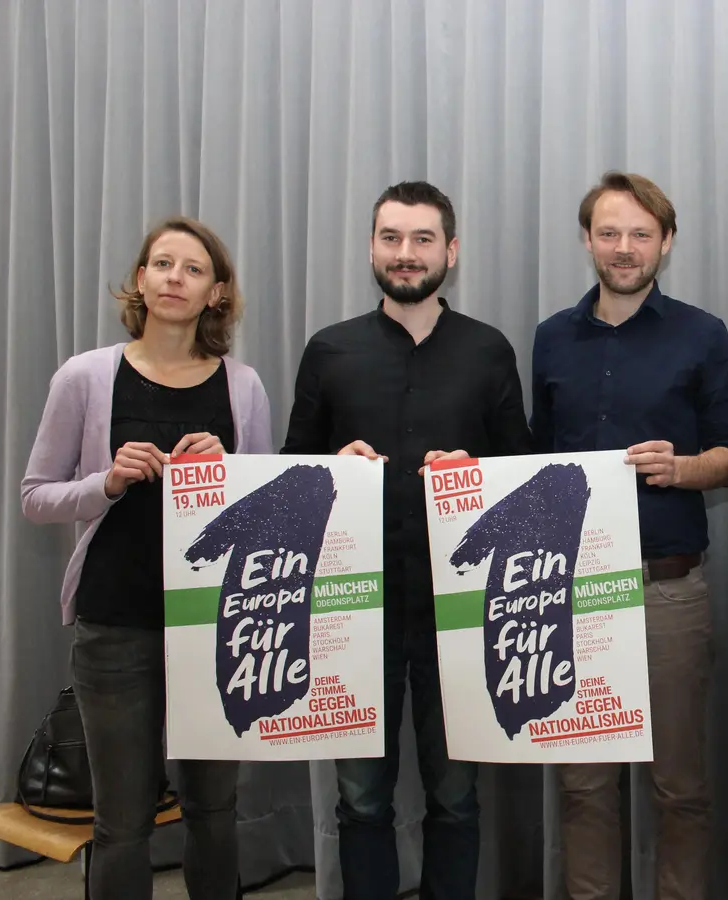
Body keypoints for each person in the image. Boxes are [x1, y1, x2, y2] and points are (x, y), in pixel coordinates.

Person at [283, 181, 530, 900]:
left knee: (455, 799)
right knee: (361, 802)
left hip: (460, 613)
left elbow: (526, 476)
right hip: (353, 613)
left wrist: (477, 475)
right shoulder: (329, 351)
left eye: (423, 239)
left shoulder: (489, 351)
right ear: (371, 247)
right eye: (391, 237)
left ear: (450, 251)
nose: (406, 253)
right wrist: (330, 472)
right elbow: (289, 474)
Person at [21, 217, 272, 899]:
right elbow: (35, 497)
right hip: (114, 624)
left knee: (216, 814)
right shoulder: (85, 377)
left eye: (193, 269)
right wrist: (106, 480)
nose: (174, 279)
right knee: (122, 823)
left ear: (217, 293)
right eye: (162, 264)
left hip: (217, 627)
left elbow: (271, 514)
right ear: (140, 279)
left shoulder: (242, 386)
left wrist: (233, 470)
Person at [530, 171, 728, 900]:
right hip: (574, 593)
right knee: (584, 786)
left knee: (678, 787)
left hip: (668, 588)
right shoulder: (551, 339)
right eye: (610, 232)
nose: (625, 249)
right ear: (587, 239)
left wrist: (683, 470)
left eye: (641, 234)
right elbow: (535, 457)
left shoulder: (702, 334)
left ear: (667, 242)